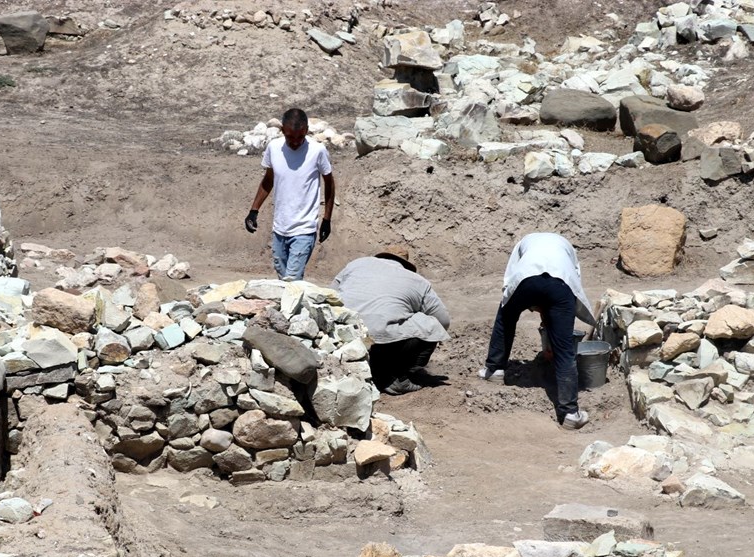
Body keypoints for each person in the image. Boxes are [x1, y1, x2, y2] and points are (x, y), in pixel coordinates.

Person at [478, 233, 598, 430]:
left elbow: (511, 277)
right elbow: (573, 281)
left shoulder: (524, 243)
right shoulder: (567, 248)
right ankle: (570, 413)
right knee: (565, 350)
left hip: (526, 279)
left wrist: (532, 304)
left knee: (506, 317)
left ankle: (494, 370)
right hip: (560, 284)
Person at [332, 245, 451, 396]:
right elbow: (443, 320)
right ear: (406, 264)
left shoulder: (356, 264)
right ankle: (397, 379)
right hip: (380, 342)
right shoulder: (417, 281)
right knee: (432, 326)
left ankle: (367, 366)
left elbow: (331, 294)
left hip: (341, 334)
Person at [245, 108, 335, 281]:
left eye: (300, 137)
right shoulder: (274, 148)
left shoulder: (317, 151)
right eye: (290, 137)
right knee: (282, 278)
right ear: (282, 131)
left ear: (306, 131)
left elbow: (329, 183)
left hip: (304, 229)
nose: (295, 142)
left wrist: (327, 219)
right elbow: (268, 180)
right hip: (280, 228)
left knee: (292, 280)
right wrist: (254, 210)